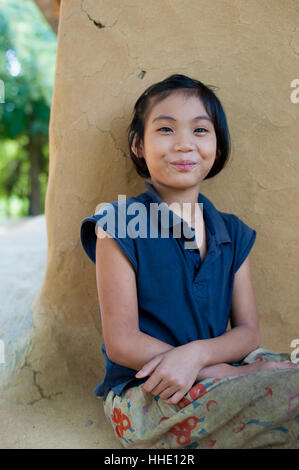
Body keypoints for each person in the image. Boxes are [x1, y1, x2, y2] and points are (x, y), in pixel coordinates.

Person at [80, 74, 299, 449]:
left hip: (221, 373)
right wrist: (219, 372)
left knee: (284, 371)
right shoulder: (117, 223)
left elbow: (248, 334)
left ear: (217, 144)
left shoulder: (231, 231)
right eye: (165, 129)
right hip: (147, 391)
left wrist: (201, 357)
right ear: (138, 144)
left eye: (200, 130)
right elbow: (121, 342)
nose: (184, 144)